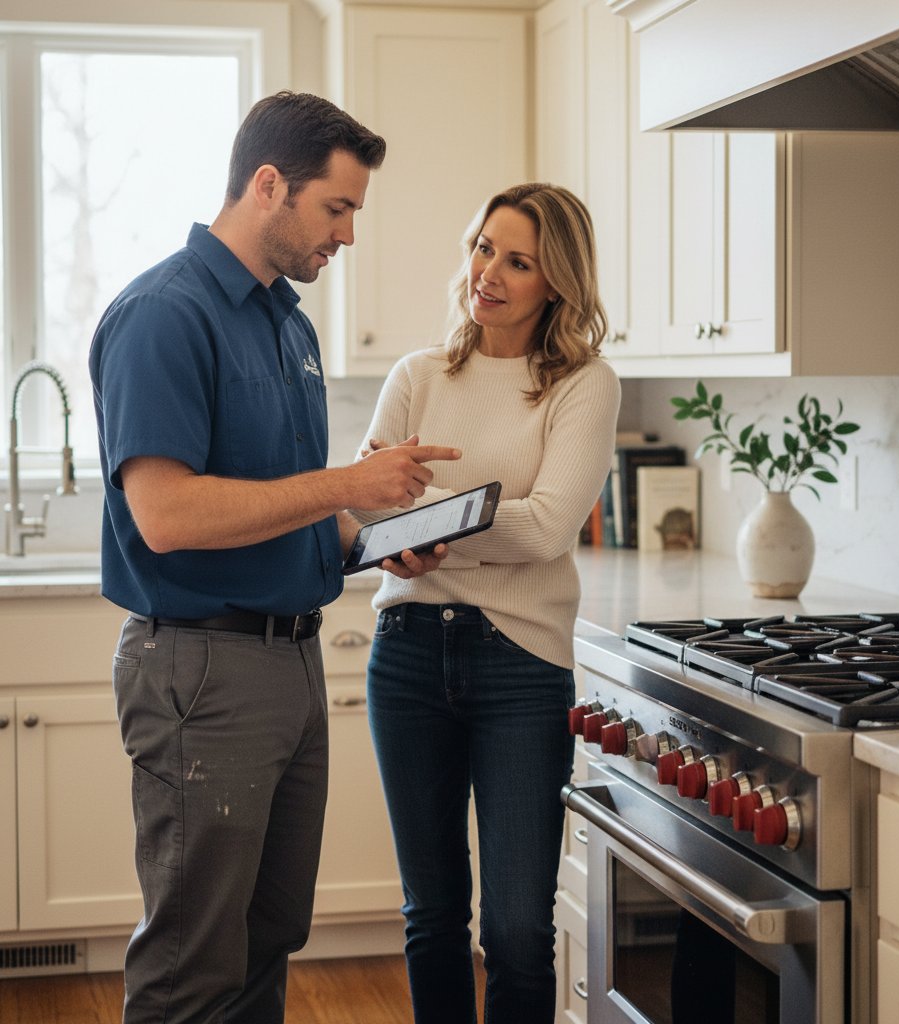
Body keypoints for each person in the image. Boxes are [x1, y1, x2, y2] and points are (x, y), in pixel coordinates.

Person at [88, 91, 461, 1024]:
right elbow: (167, 515)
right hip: (202, 671)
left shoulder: (288, 324)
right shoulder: (163, 315)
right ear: (268, 186)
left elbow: (282, 508)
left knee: (268, 938)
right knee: (192, 960)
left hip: (289, 661)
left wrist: (378, 542)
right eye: (336, 209)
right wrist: (345, 486)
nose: (346, 235)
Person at [358, 182, 621, 1023]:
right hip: (404, 653)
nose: (490, 274)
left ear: (558, 283)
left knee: (515, 926)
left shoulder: (582, 385)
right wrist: (420, 522)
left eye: (518, 261)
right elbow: (368, 504)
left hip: (520, 667)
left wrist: (430, 525)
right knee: (431, 916)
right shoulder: (417, 375)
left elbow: (546, 529)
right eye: (483, 249)